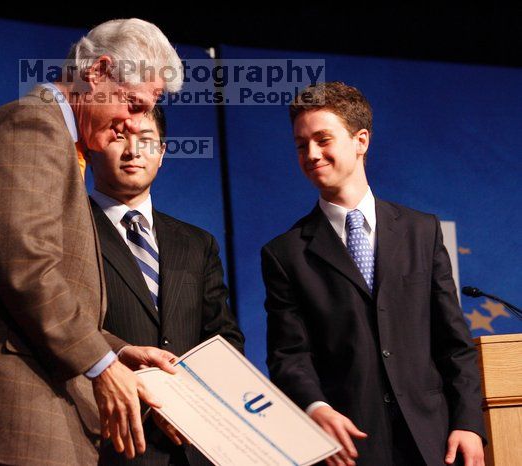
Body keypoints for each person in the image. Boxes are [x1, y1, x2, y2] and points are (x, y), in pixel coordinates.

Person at [0, 19, 185, 466]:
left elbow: (49, 285)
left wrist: (118, 350)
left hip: (34, 416)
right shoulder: (32, 127)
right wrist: (102, 365)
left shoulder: (61, 142)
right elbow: (26, 269)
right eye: (133, 104)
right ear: (98, 72)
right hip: (11, 417)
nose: (133, 125)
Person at [262, 82, 486, 466]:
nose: (311, 154)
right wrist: (316, 408)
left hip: (434, 442)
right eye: (301, 145)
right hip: (349, 446)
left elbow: (454, 341)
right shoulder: (285, 253)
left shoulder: (421, 231)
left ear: (360, 140)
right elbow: (289, 356)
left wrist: (468, 422)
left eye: (322, 139)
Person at [87, 106, 245, 465]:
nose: (133, 151)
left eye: (146, 141)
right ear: (92, 147)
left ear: (162, 153)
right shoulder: (69, 231)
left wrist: (186, 406)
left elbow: (225, 340)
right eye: (118, 138)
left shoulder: (197, 243)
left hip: (192, 446)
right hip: (108, 443)